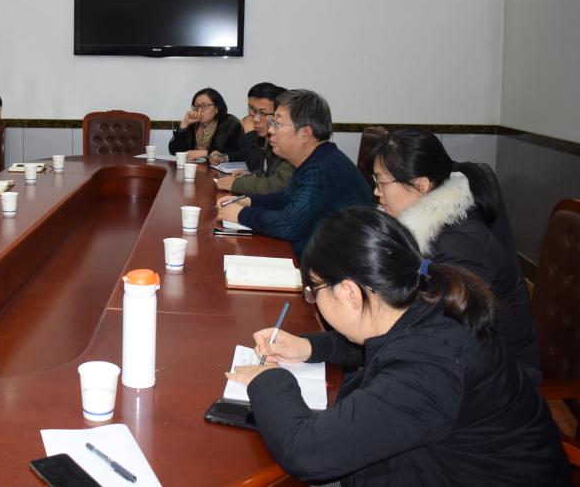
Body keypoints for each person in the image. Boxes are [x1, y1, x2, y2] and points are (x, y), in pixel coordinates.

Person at [226, 207, 569, 486]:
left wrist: (267, 379)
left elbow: (305, 452)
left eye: (314, 291)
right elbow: (379, 341)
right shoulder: (426, 300)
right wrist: (308, 347)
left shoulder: (428, 368)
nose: (313, 300)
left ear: (349, 293)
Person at [371, 127, 540, 382]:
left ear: (420, 186)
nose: (376, 192)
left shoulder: (458, 245)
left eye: (381, 183)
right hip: (455, 361)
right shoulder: (429, 230)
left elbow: (453, 339)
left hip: (497, 381)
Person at [216, 89, 373, 256]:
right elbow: (287, 197)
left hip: (342, 262)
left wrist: (241, 214)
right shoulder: (316, 158)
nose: (271, 130)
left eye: (277, 124)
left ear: (305, 134)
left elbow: (289, 225)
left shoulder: (321, 168)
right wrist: (248, 201)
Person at [212, 82, 294, 195]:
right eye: (253, 110)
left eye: (263, 113)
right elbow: (267, 170)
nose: (255, 118)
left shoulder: (290, 144)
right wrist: (253, 175)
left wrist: (249, 134)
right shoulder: (270, 138)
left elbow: (278, 185)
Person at [168, 87, 242, 162]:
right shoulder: (193, 124)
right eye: (196, 106)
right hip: (195, 167)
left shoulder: (229, 124)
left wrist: (204, 153)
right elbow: (174, 151)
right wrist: (184, 125)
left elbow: (236, 152)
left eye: (204, 106)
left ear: (217, 108)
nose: (199, 110)